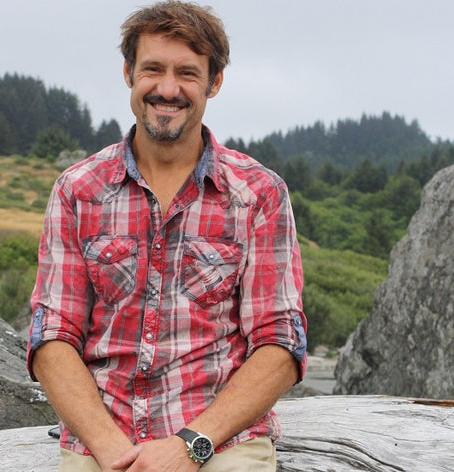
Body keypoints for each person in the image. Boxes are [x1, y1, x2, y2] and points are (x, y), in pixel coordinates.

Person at [27, 1, 307, 471]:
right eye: (153, 69)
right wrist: (111, 449)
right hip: (104, 438)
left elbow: (280, 342)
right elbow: (52, 335)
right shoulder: (78, 191)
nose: (168, 88)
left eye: (188, 73)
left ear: (214, 82)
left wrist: (190, 445)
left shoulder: (258, 194)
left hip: (220, 441)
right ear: (128, 73)